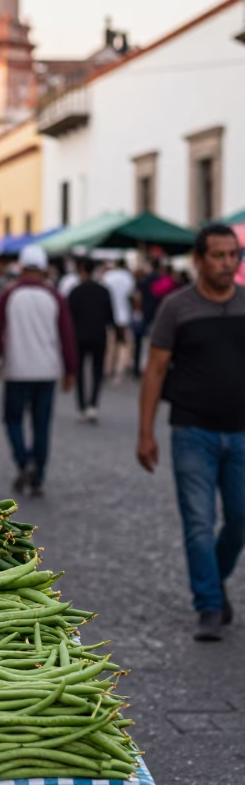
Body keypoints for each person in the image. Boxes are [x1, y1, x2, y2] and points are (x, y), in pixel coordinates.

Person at [137, 223, 245, 641]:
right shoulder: (175, 308)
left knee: (240, 519)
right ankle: (209, 606)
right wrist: (144, 433)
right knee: (199, 524)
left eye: (233, 255)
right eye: (218, 255)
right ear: (198, 260)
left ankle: (213, 584)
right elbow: (156, 370)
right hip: (191, 431)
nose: (227, 263)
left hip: (241, 432)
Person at [0, 243, 77, 496]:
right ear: (45, 269)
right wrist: (71, 370)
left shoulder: (8, 295)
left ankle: (24, 461)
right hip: (47, 370)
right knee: (42, 424)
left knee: (12, 419)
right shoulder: (55, 296)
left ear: (21, 268)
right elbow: (67, 336)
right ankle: (39, 474)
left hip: (17, 368)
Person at [68, 258, 114, 422]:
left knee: (79, 371)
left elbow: (68, 318)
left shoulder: (75, 292)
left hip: (78, 336)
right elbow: (110, 316)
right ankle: (93, 405)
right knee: (97, 371)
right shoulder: (104, 291)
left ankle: (81, 406)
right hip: (98, 335)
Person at [102, 258, 135, 380]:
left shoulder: (108, 276)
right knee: (122, 343)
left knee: (109, 343)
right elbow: (131, 295)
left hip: (109, 314)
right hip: (124, 314)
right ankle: (119, 368)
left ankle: (107, 368)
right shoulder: (127, 277)